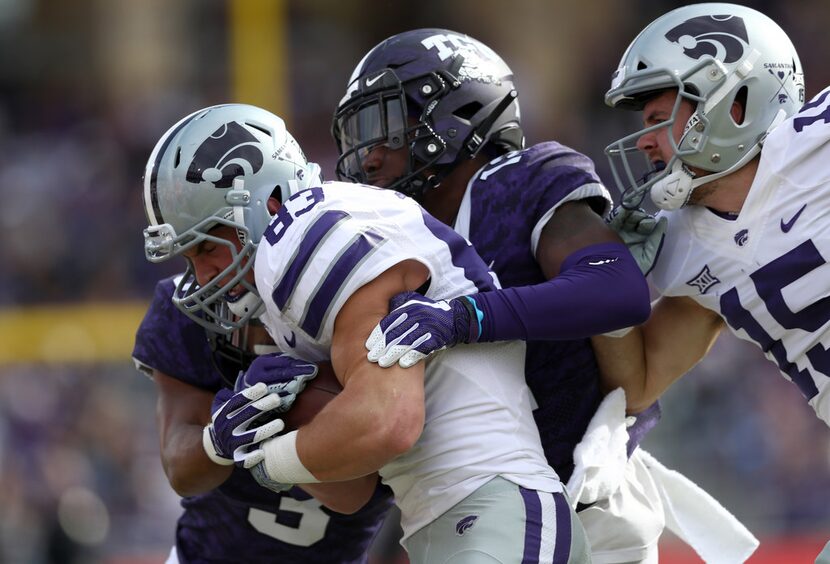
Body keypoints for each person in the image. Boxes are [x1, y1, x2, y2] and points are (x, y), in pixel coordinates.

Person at [141, 102, 590, 563]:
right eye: (187, 258)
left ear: (267, 205)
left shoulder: (313, 240)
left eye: (205, 247)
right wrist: (242, 434)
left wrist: (270, 462)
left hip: (490, 507)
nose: (203, 274)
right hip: (448, 522)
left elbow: (385, 425)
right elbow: (352, 486)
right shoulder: (270, 294)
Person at [331, 28, 667, 563]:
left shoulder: (514, 182)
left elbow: (617, 288)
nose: (368, 157)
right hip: (472, 494)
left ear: (454, 114)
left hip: (580, 499)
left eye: (384, 127)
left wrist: (465, 317)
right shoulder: (393, 240)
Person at [593, 2, 830, 430]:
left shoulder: (819, 140)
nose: (644, 142)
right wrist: (607, 295)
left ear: (736, 102)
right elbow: (639, 383)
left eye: (659, 120)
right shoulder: (687, 248)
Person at [133, 276, 393, 558]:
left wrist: (277, 435)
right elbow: (181, 471)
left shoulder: (376, 300)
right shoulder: (187, 301)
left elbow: (353, 494)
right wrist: (215, 441)